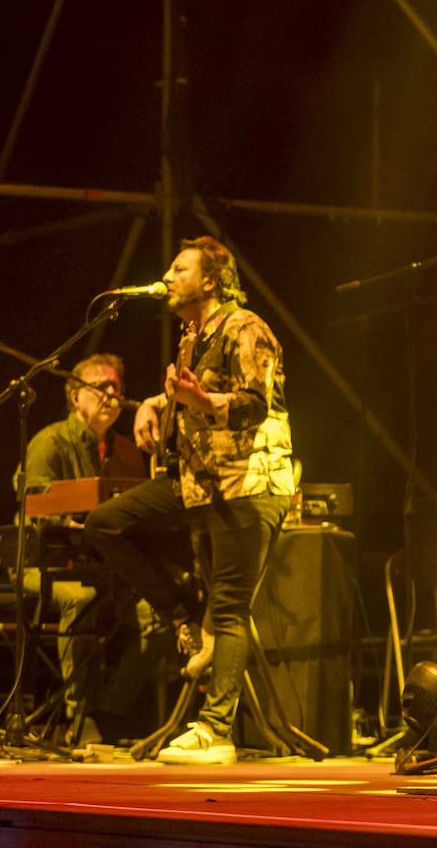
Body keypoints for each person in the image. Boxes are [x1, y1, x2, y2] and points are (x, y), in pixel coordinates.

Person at [83, 235, 295, 765]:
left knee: (228, 608)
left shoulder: (247, 328)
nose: (169, 276)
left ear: (210, 279)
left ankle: (216, 730)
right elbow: (185, 393)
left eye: (180, 269)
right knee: (106, 524)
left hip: (248, 484)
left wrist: (199, 400)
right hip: (199, 484)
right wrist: (155, 404)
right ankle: (182, 617)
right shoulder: (190, 337)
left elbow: (252, 404)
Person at [18, 353, 145, 744]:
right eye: (100, 386)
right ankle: (79, 716)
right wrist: (72, 524)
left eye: (117, 387)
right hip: (44, 566)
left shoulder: (127, 451)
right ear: (75, 397)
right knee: (82, 598)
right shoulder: (50, 441)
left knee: (158, 612)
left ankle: (110, 711)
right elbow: (32, 500)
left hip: (106, 566)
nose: (112, 393)